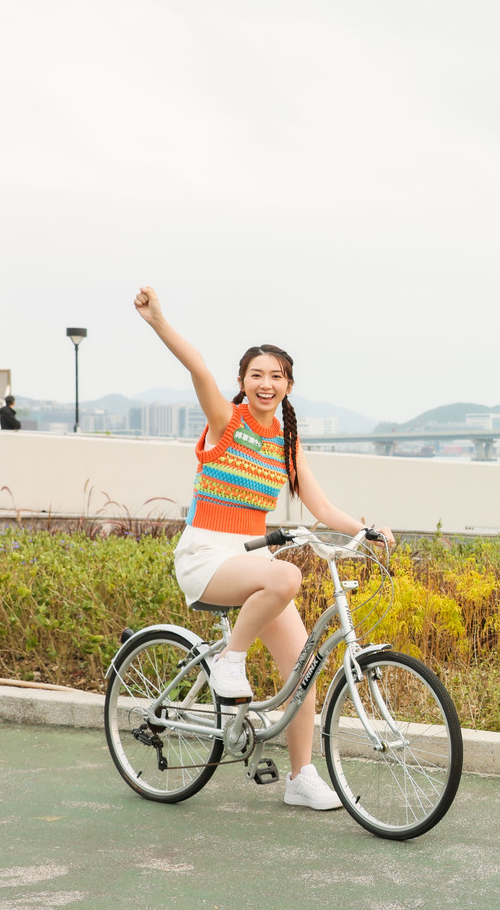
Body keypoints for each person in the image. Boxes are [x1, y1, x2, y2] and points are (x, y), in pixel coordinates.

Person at [133, 285, 391, 811]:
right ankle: (231, 661)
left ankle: (300, 777)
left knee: (303, 668)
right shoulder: (227, 423)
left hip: (250, 555)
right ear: (242, 383)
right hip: (206, 551)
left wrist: (364, 531)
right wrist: (158, 320)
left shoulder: (287, 443)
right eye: (257, 375)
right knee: (287, 576)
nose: (266, 384)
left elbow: (320, 505)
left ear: (289, 385)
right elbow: (199, 369)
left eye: (276, 376)